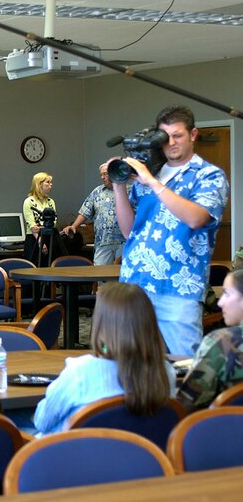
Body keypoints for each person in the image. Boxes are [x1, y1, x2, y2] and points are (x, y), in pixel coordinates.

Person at [113, 105, 229, 356]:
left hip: (179, 290)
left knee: (184, 364)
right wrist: (119, 187)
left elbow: (197, 218)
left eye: (178, 135)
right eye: (166, 137)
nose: (171, 142)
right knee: (131, 365)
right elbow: (128, 232)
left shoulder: (208, 175)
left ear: (193, 134)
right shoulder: (148, 174)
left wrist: (153, 183)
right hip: (135, 286)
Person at [33, 282, 175, 434]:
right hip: (141, 453)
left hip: (73, 454)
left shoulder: (79, 372)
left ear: (101, 324)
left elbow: (42, 422)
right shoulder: (166, 372)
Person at [177, 269, 243, 411]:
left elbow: (186, 404)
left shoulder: (221, 342)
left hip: (227, 429)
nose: (220, 303)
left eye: (227, 293)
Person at [61, 162, 126, 265]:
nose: (102, 177)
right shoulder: (97, 192)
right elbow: (85, 211)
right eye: (101, 175)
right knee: (100, 275)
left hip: (124, 242)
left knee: (123, 277)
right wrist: (74, 226)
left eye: (105, 174)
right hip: (103, 241)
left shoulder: (128, 190)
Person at [22, 172, 59, 266]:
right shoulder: (29, 202)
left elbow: (53, 222)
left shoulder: (51, 202)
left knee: (50, 267)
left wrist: (41, 227)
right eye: (48, 182)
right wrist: (40, 242)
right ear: (39, 184)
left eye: (51, 182)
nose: (51, 185)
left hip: (49, 238)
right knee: (33, 268)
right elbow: (32, 225)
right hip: (34, 240)